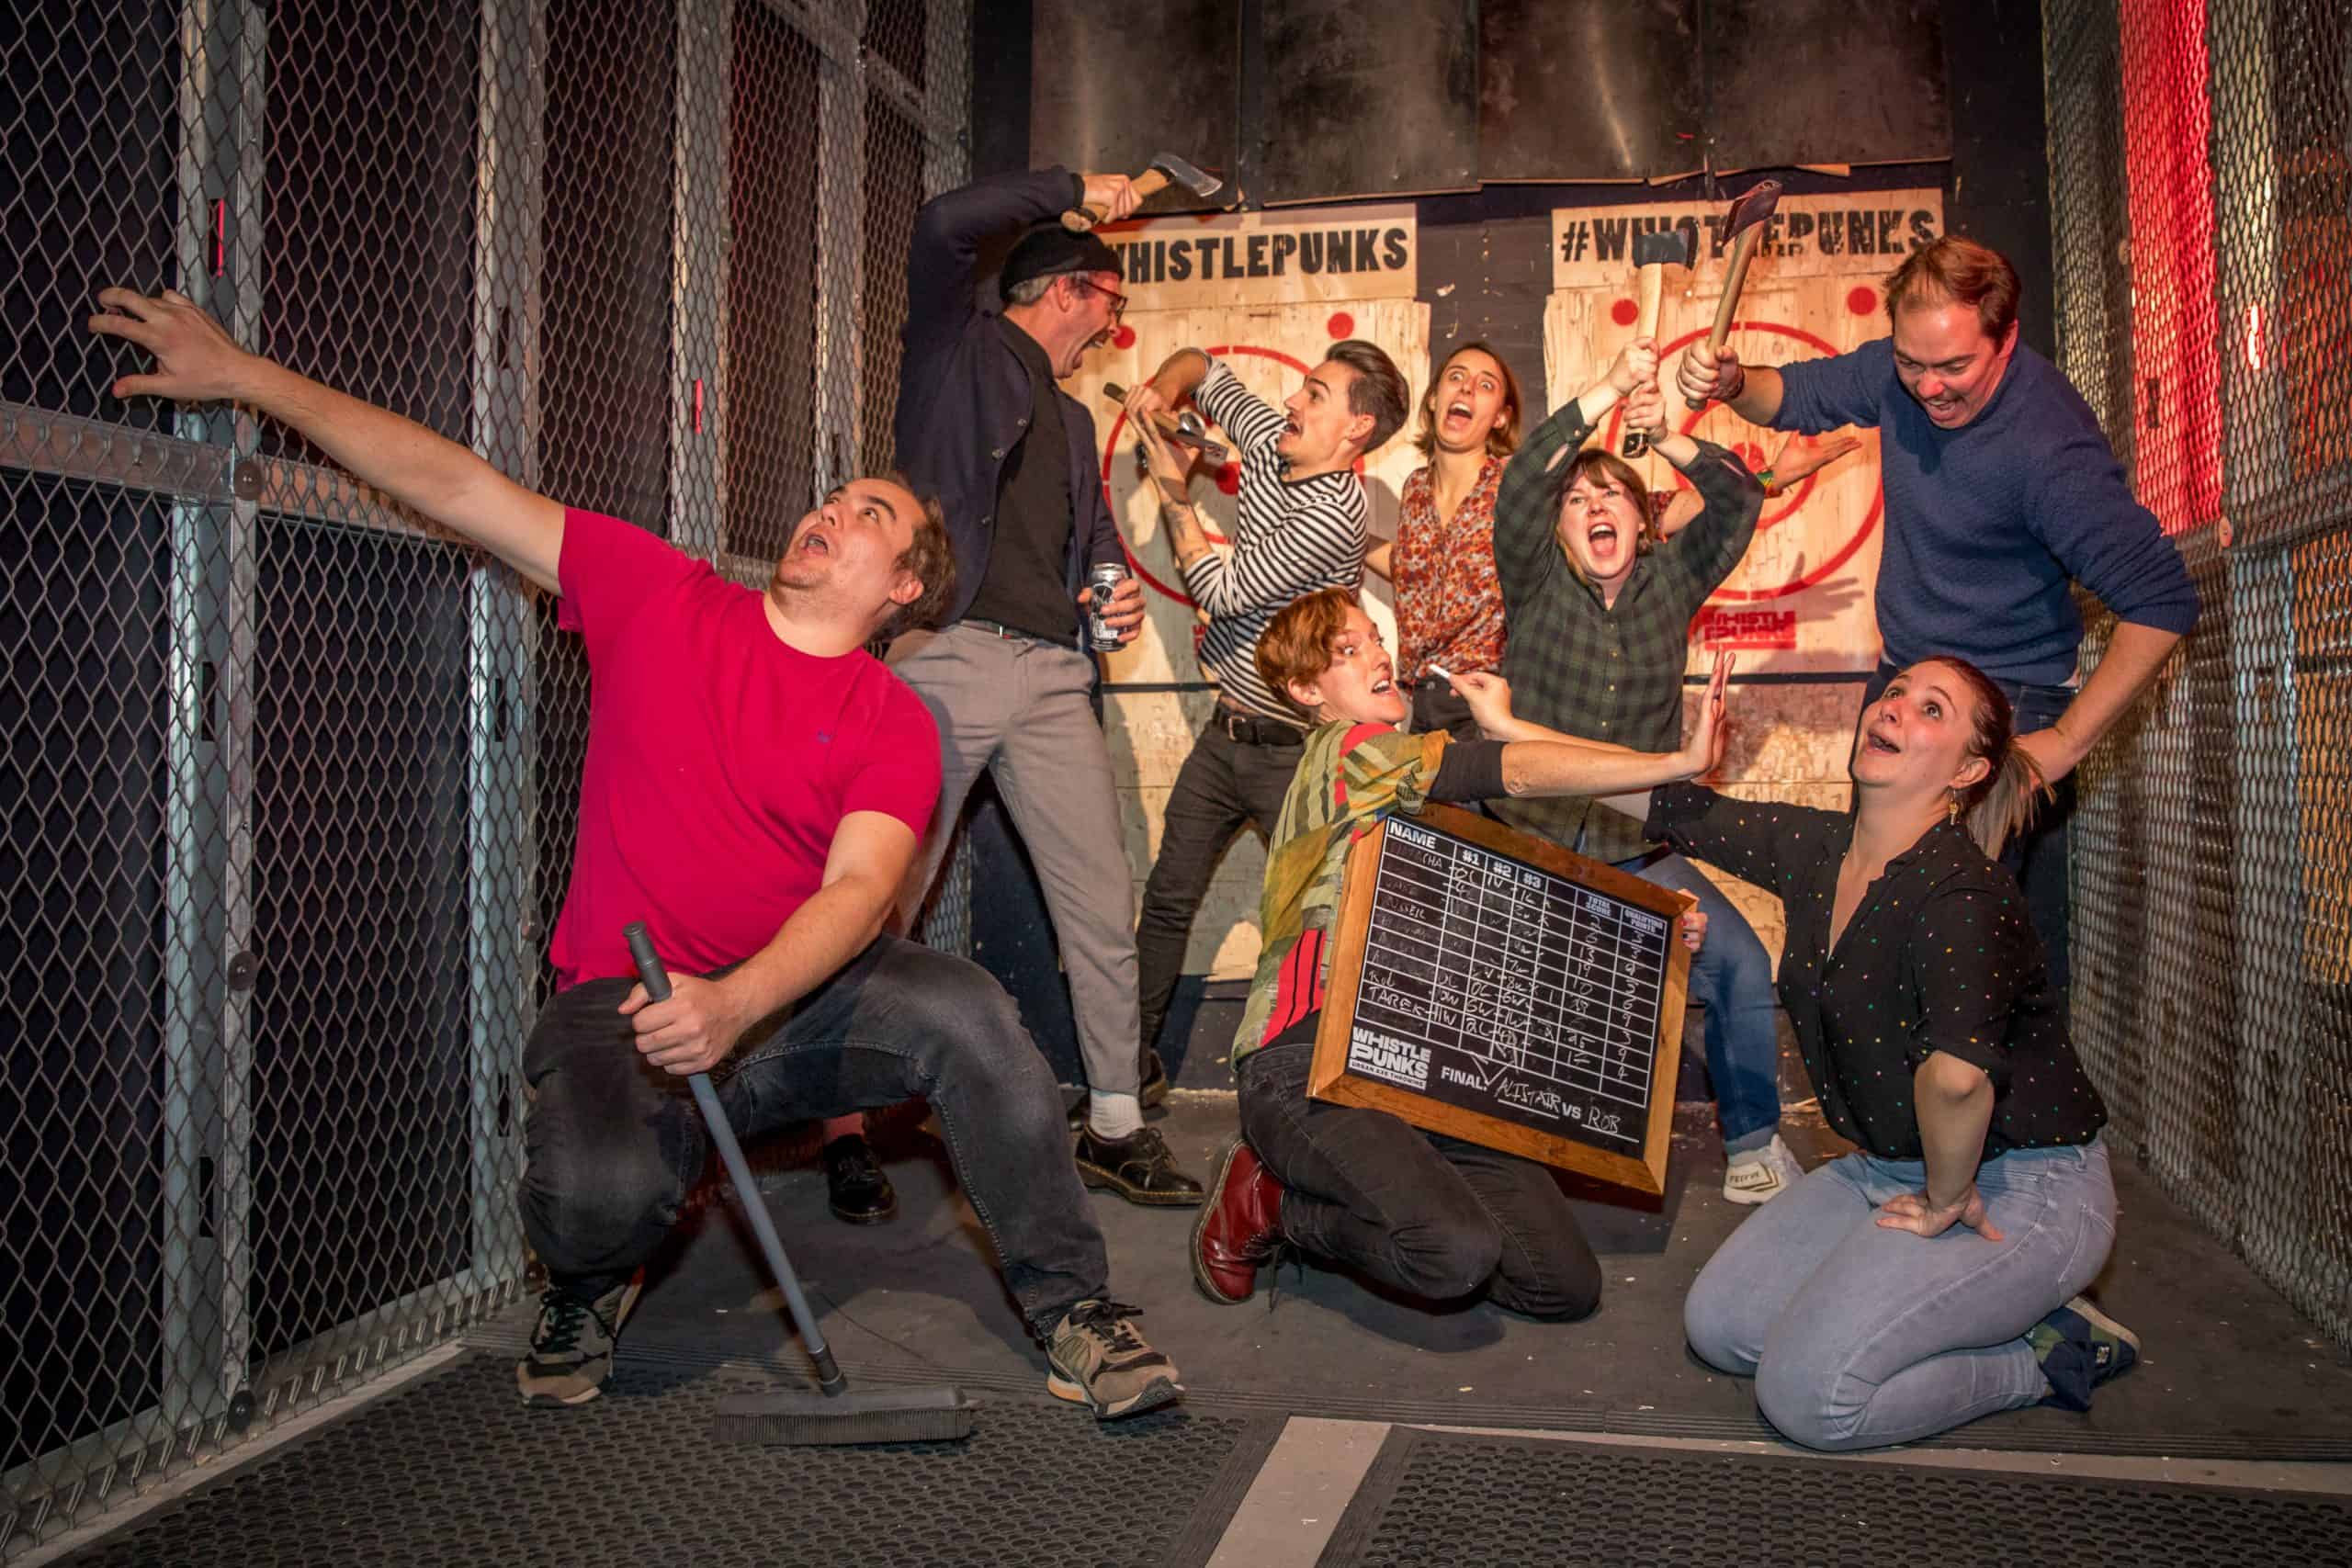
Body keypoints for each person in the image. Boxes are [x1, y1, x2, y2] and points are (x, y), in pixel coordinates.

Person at [87, 286, 1182, 1422]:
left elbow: (863, 891)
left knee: (973, 1018)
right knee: (593, 1197)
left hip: (794, 1006)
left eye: (868, 515)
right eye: (832, 499)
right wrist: (249, 378)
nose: (829, 514)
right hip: (632, 1002)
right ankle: (591, 1283)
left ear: (903, 588)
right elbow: (456, 484)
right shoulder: (661, 596)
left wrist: (740, 1000)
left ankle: (1075, 1316)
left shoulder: (891, 718)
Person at [1598, 653, 2135, 1450]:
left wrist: (1948, 1199)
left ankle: (2045, 1354)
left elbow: (1956, 1082)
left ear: (1969, 769)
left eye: (1930, 710)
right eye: (1892, 693)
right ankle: (1942, 1305)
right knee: (1724, 1327)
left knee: (1811, 1396)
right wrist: (1499, 744)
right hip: (1891, 1163)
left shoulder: (1962, 896)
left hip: (2024, 1184)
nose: (1893, 709)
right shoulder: (1819, 847)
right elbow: (1668, 805)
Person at [1674, 235, 2199, 990]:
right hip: (1909, 672)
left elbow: (2163, 598)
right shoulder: (1899, 371)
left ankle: (1978, 1103)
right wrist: (1732, 381)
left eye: (1954, 366)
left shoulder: (2049, 451)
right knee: (1878, 919)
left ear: (2007, 336)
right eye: (1912, 363)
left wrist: (2065, 741)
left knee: (1962, 952)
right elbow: (1790, 394)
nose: (1929, 387)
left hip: (2000, 702)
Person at [1189, 586, 1722, 1314]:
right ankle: (1271, 1201)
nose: (1377, 653)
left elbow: (1532, 908)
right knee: (1453, 1249)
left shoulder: (1408, 797)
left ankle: (1402, 1176)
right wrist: (1673, 761)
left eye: (1374, 636)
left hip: (1419, 1067)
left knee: (1560, 1282)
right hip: (1305, 1061)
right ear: (1308, 692)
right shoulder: (1352, 752)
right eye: (1347, 651)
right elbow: (1511, 769)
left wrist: (1652, 926)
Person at [888, 167, 1204, 1205]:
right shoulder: (957, 350)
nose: (1117, 323)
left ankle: (1112, 1119)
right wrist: (1076, 188)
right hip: (946, 655)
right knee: (875, 895)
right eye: (1113, 301)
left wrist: (1106, 601)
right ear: (1069, 287)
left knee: (1100, 903)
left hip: (1053, 674)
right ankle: (838, 1123)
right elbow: (943, 224)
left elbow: (1097, 544)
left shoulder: (1073, 423)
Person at [1489, 345, 1804, 1205]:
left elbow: (1738, 496)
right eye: (1578, 501)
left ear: (1642, 517)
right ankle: (1508, 1149)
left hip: (1635, 846)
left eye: (1612, 496)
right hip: (1532, 845)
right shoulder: (1534, 579)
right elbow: (1523, 481)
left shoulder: (1675, 577)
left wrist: (1666, 436)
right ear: (1559, 531)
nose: (1594, 506)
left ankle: (1753, 1144)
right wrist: (1608, 391)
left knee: (1738, 961)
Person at [1120, 338, 1408, 1099]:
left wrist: (1175, 491)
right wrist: (1162, 390)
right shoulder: (1278, 444)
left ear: (1356, 428)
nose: (1293, 401)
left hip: (1297, 756)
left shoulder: (1333, 515)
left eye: (1316, 395)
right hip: (1226, 736)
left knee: (1318, 925)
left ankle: (1332, 1091)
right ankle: (1124, 1082)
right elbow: (1203, 369)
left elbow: (1218, 588)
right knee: (1169, 899)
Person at [1363, 340, 1522, 742]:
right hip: (1421, 704)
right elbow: (1417, 571)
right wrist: (1343, 532)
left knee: (1477, 807)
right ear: (1434, 399)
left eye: (1485, 385)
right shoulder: (1415, 488)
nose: (1467, 388)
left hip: (1483, 702)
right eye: (1456, 377)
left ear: (1501, 418)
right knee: (1410, 808)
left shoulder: (1513, 484)